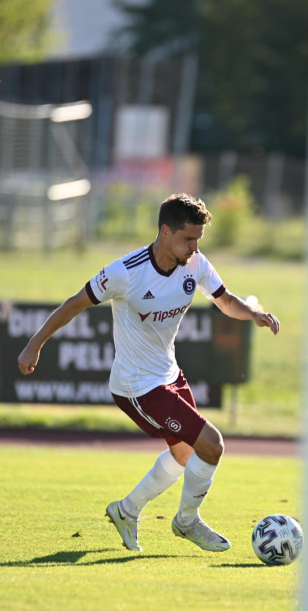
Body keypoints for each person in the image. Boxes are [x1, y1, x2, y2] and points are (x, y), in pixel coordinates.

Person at [18, 193, 280, 553]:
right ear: (165, 231)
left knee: (187, 453)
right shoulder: (125, 272)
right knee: (212, 445)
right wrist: (36, 343)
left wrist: (254, 315)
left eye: (198, 239)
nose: (195, 246)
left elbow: (224, 299)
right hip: (136, 386)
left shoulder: (196, 264)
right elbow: (74, 303)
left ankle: (127, 511)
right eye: (188, 238)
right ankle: (186, 522)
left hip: (169, 375)